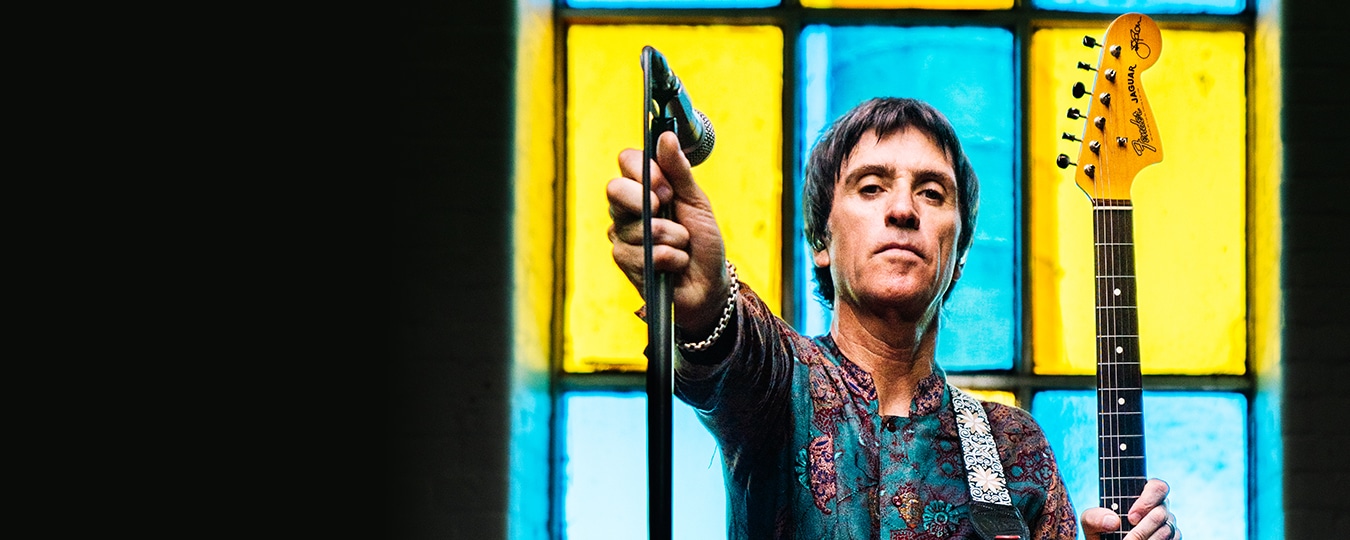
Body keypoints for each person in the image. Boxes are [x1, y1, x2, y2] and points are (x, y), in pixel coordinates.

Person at [606, 97, 1179, 539]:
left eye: (932, 193)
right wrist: (703, 297)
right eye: (871, 186)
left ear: (958, 255)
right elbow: (730, 345)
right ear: (821, 241)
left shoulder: (1013, 446)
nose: (903, 209)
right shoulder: (781, 383)